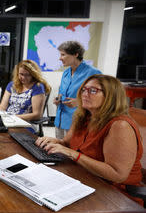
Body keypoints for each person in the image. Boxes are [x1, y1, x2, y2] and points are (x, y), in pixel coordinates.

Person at [36, 74, 144, 205]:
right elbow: (66, 143)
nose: (85, 94)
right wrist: (54, 142)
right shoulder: (83, 116)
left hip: (114, 194)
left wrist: (72, 154)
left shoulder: (120, 126)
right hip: (83, 179)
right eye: (83, 89)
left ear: (111, 96)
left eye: (93, 90)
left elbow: (117, 174)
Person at [54, 41, 101, 139]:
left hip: (78, 121)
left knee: (71, 152)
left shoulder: (93, 73)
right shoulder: (66, 72)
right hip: (60, 120)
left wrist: (78, 102)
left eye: (63, 54)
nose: (60, 58)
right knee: (57, 151)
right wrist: (58, 99)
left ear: (76, 54)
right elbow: (62, 93)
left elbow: (101, 98)